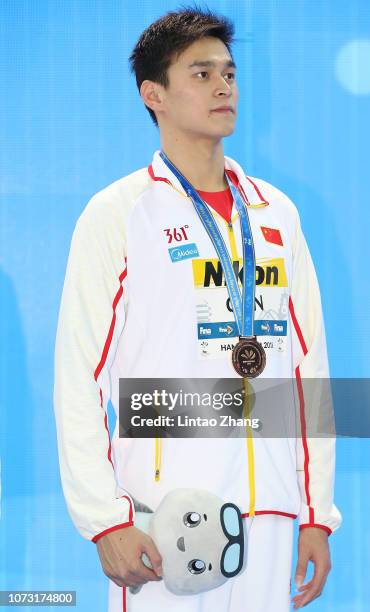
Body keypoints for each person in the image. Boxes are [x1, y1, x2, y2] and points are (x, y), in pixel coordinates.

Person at [54, 7, 341, 612]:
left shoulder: (276, 214)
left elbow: (306, 369)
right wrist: (106, 520)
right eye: (202, 73)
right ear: (152, 94)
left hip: (267, 518)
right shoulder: (120, 214)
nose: (224, 87)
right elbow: (80, 373)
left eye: (229, 73)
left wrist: (315, 513)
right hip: (166, 519)